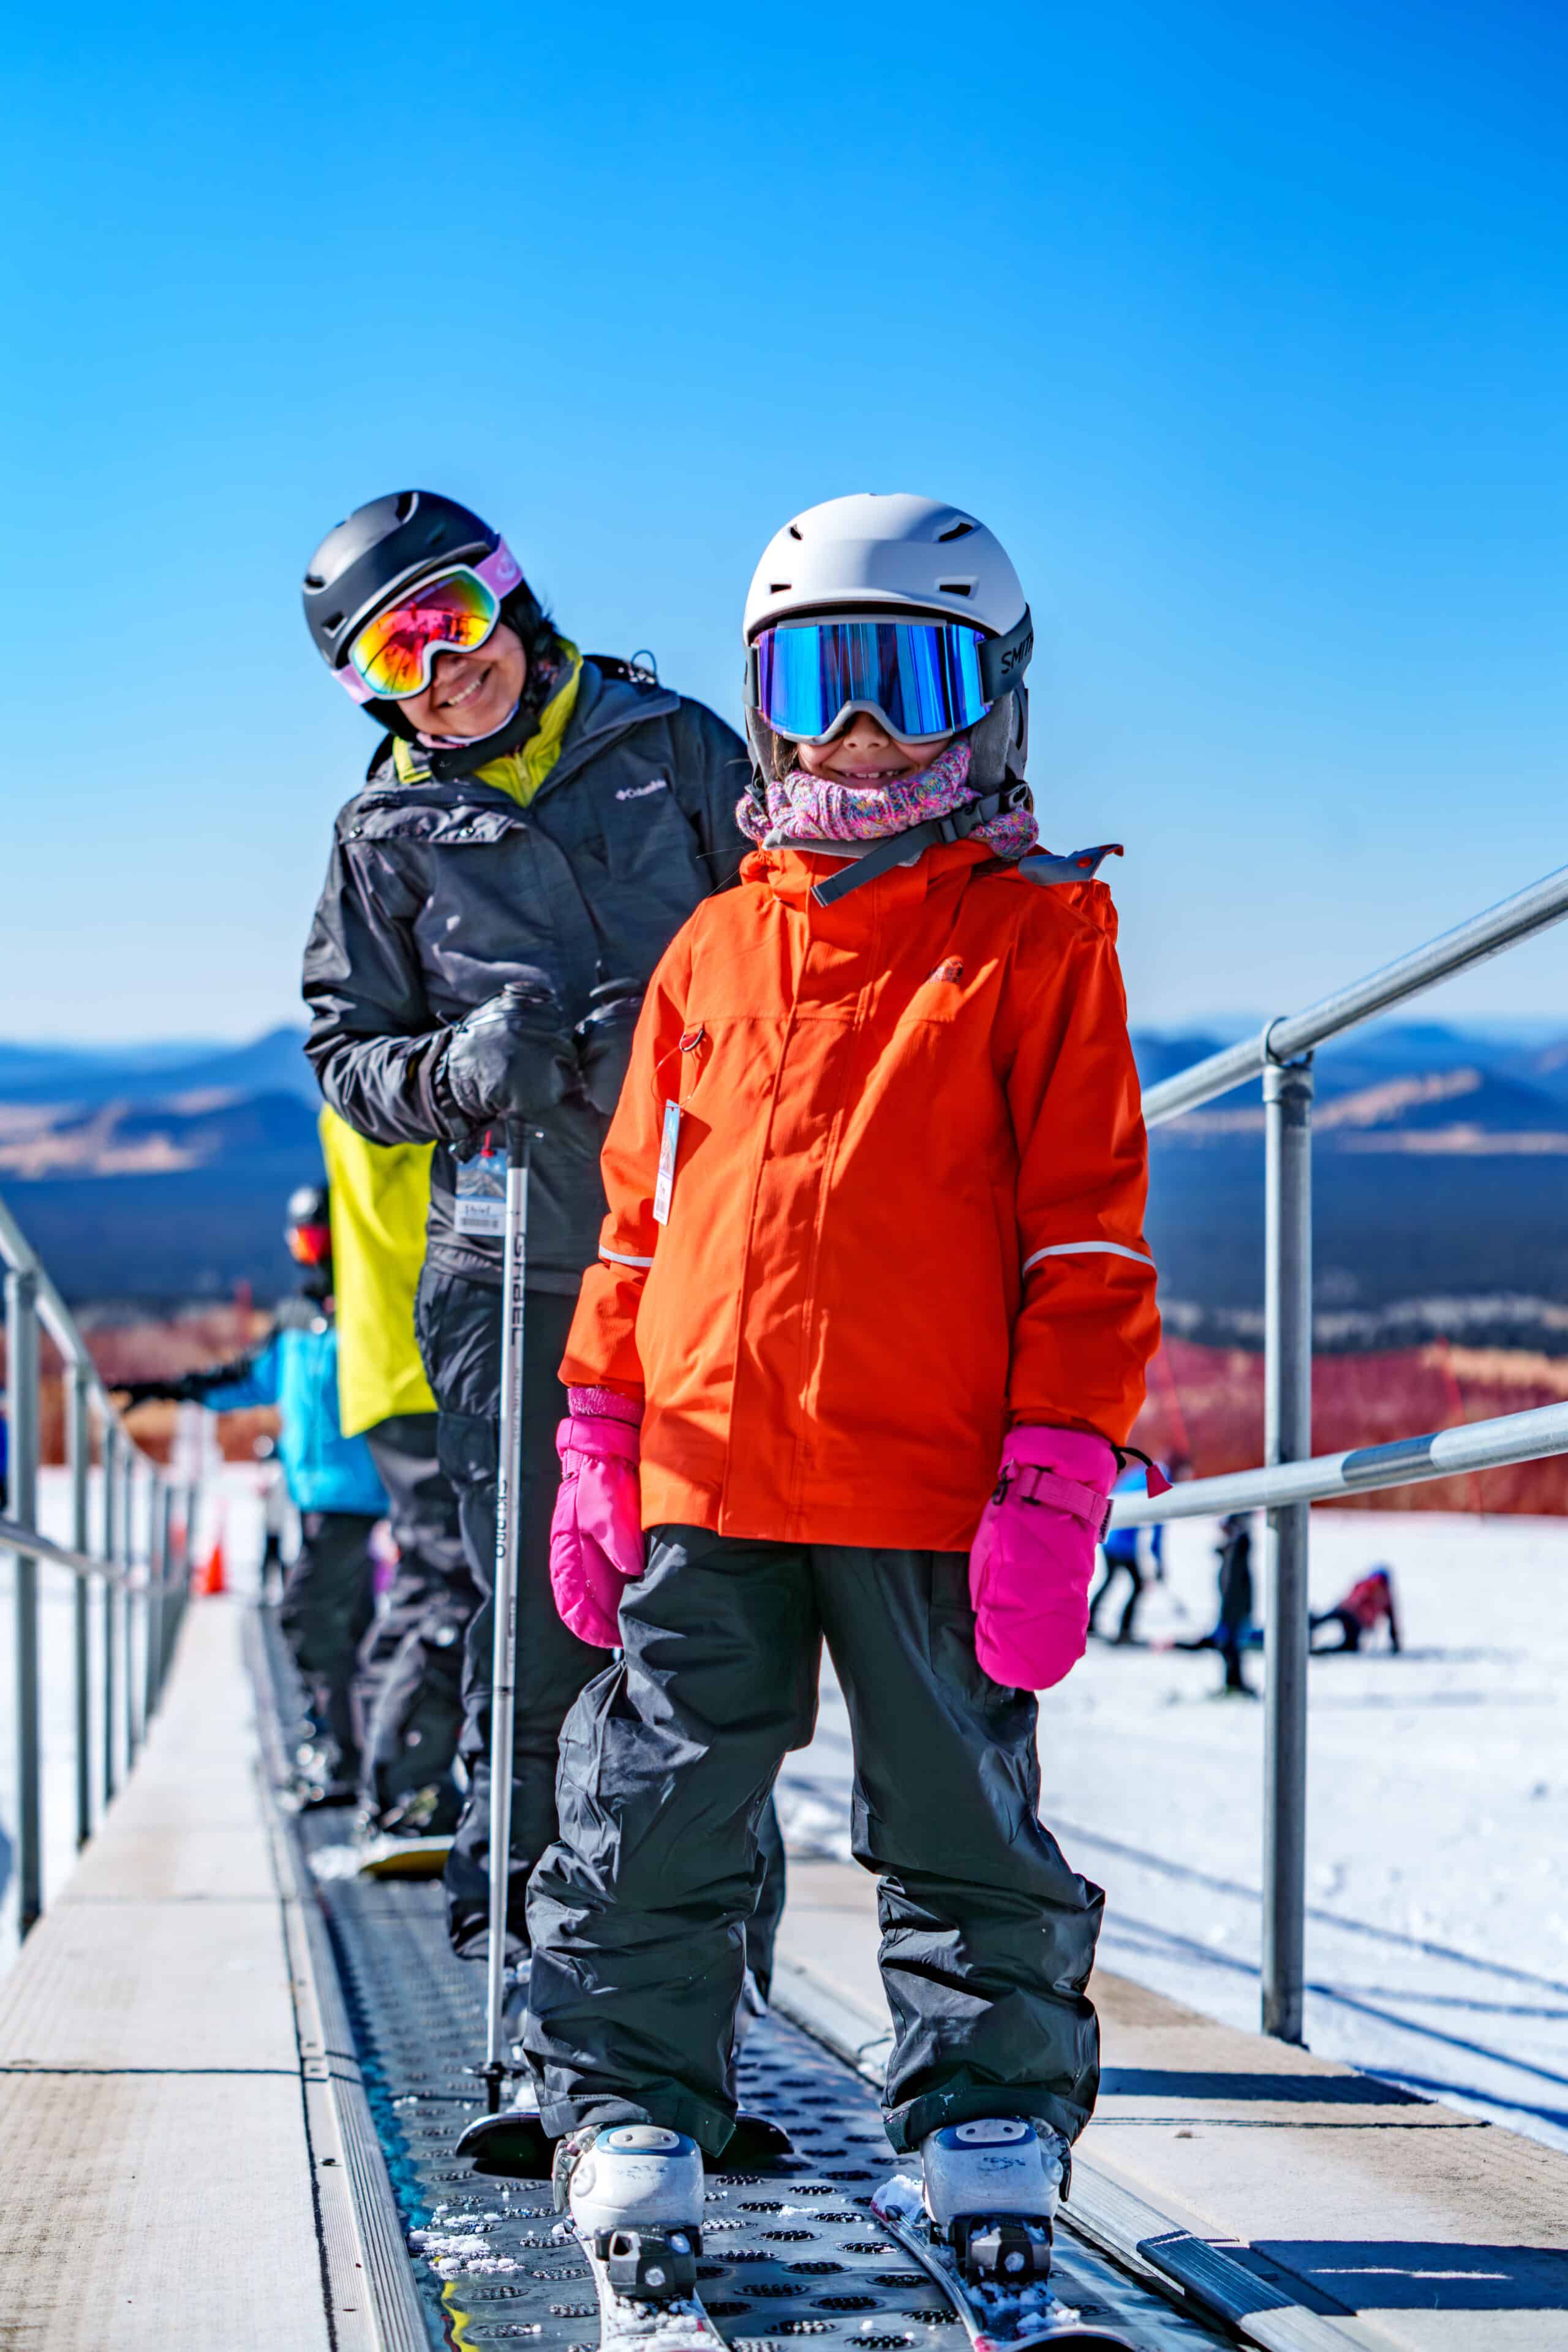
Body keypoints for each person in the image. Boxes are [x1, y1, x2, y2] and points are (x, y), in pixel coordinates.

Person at [522, 492, 1161, 2290]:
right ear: (768, 706)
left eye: (907, 679)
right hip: (707, 1469)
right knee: (650, 1806)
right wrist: (598, 1424)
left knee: (957, 1810)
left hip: (926, 1477)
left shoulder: (1038, 934)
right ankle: (630, 2105)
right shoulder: (718, 948)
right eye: (821, 682)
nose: (861, 729)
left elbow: (1085, 1233)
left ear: (992, 702)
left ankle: (985, 2114)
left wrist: (1056, 1462)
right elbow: (640, 1225)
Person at [296, 491, 786, 1979]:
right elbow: (344, 1056)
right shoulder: (384, 833)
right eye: (394, 656)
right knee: (534, 1622)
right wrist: (455, 1069)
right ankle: (525, 1943)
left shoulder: (673, 748)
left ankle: (704, 1968)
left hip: (707, 1257)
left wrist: (685, 1034)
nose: (444, 669)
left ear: (508, 597)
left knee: (706, 1617)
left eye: (451, 618)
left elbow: (794, 946)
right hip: (513, 1266)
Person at [119, 1184, 387, 1801]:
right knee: (345, 1625)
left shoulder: (369, 1311)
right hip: (312, 1496)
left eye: (315, 1236)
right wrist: (171, 1390)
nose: (308, 1250)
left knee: (307, 1616)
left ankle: (344, 1751)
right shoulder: (295, 1320)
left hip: (358, 1493)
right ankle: (358, 1749)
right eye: (301, 1238)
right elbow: (250, 1379)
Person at [319, 1106, 479, 1839]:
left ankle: (392, 1777)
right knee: (450, 1575)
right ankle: (406, 1784)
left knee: (429, 1572)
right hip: (421, 1370)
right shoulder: (388, 1100)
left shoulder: (369, 1090)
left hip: (405, 1370)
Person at [1088, 1463, 1165, 1643]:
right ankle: (1125, 1631)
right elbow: (1159, 1521)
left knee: (1111, 1580)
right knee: (1138, 1584)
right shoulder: (1159, 1479)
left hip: (1111, 1535)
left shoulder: (1140, 1473)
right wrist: (1159, 1560)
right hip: (1123, 1542)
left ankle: (1091, 1623)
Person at [1312, 1563, 1400, 1653]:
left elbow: (1356, 1598)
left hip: (1347, 1610)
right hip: (1359, 1621)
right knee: (1350, 1646)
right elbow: (1393, 1622)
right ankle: (1322, 1650)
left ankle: (1310, 1625)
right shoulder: (1387, 1596)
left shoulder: (1367, 1583)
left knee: (1323, 1620)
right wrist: (1396, 1642)